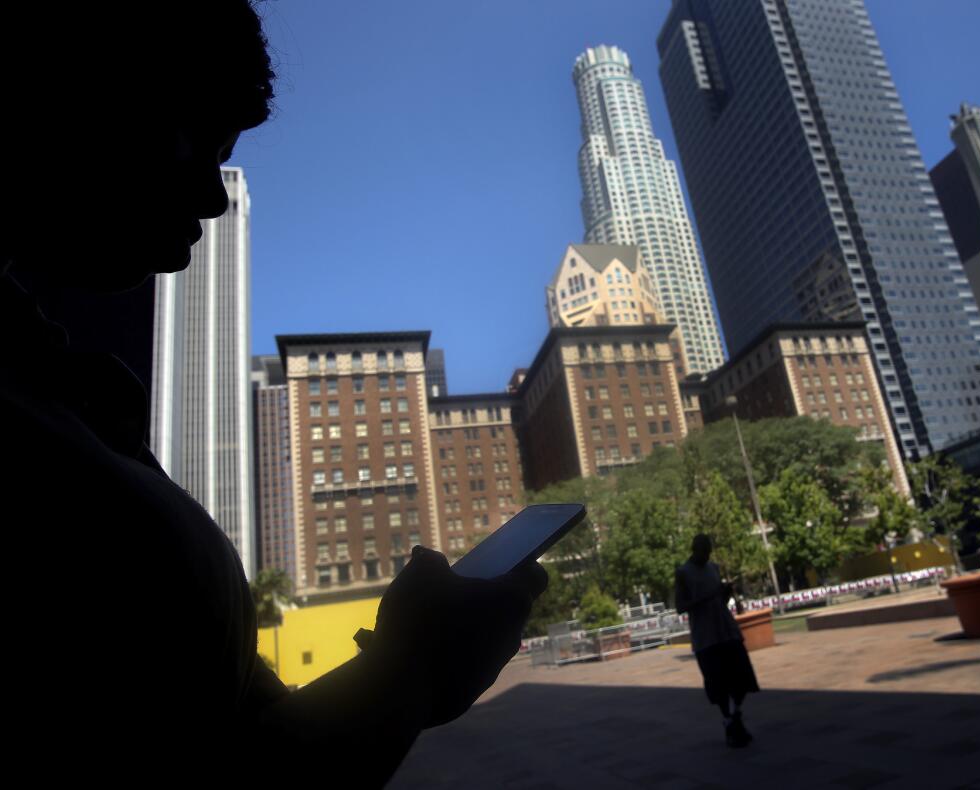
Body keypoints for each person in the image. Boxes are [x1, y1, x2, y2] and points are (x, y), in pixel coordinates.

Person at [1, 2, 545, 785]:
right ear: (78, 86)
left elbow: (240, 733)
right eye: (199, 136)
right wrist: (416, 669)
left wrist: (405, 668)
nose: (215, 198)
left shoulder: (48, 374)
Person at [674, 534, 760, 748]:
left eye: (709, 550)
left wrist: (725, 594)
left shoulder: (714, 568)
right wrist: (707, 596)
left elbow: (719, 600)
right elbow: (680, 606)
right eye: (704, 551)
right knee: (718, 684)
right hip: (706, 637)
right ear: (695, 549)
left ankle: (735, 716)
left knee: (741, 676)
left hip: (726, 630)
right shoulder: (683, 573)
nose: (707, 555)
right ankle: (730, 720)